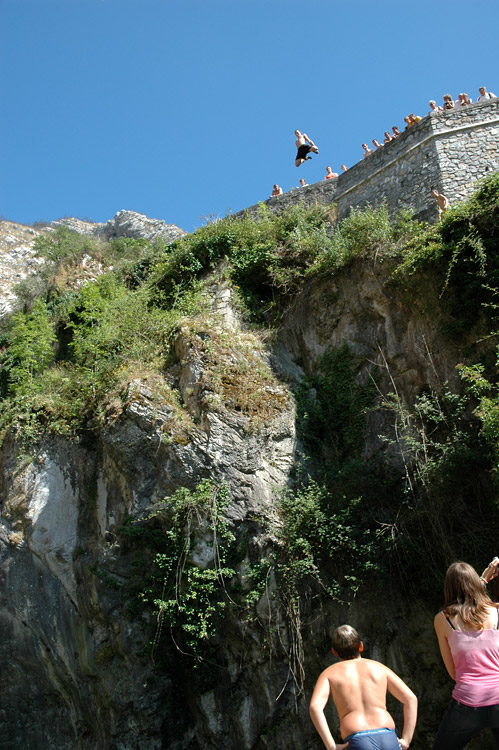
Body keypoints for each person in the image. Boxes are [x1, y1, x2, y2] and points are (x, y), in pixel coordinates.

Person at [310, 625, 417, 750]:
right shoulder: (379, 668)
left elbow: (315, 707)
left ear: (334, 651)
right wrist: (406, 739)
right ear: (361, 646)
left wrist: (331, 746)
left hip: (357, 739)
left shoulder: (329, 674)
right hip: (387, 736)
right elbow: (410, 699)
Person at [433, 560, 499, 749]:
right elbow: (477, 600)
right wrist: (482, 582)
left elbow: (454, 674)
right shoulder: (496, 612)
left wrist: (481, 581)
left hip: (467, 702)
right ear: (475, 583)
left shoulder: (443, 620)